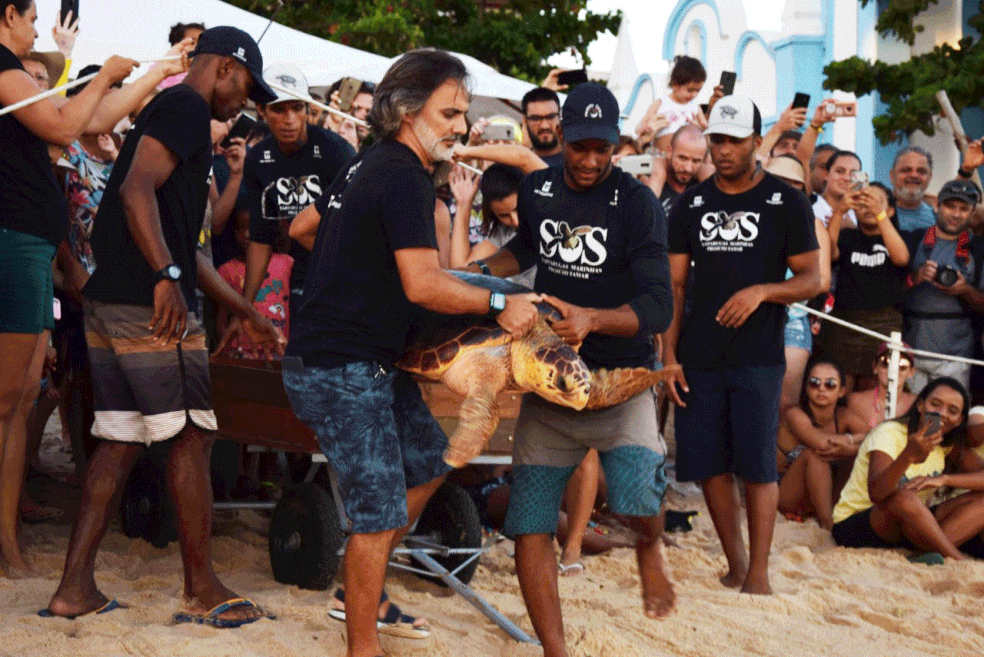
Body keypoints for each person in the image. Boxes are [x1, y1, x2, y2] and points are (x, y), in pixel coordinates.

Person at [284, 49, 540, 657]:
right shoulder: (399, 174)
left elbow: (301, 229)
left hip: (355, 360)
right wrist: (502, 307)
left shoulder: (369, 164)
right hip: (341, 369)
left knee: (428, 461)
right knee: (374, 517)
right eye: (450, 112)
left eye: (463, 113)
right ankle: (362, 645)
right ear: (405, 110)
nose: (461, 125)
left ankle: (358, 594)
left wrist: (356, 263)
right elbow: (425, 285)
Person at [44, 27, 284, 624]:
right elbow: (134, 190)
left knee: (121, 439)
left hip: (116, 298)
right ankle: (202, 588)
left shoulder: (173, 113)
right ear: (225, 68)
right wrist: (164, 274)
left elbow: (186, 245)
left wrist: (247, 308)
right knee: (191, 435)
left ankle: (74, 588)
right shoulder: (183, 106)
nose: (246, 104)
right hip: (147, 303)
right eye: (247, 88)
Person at [461, 82, 675, 654]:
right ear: (559, 136)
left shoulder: (638, 205)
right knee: (530, 522)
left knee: (637, 502)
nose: (588, 160)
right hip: (551, 380)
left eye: (601, 149)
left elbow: (659, 307)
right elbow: (529, 250)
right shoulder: (537, 189)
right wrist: (478, 270)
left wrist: (594, 320)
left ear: (616, 144)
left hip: (619, 381)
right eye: (580, 147)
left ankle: (650, 549)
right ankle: (556, 650)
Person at [0, 0, 139, 576]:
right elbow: (64, 123)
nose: (38, 33)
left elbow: (93, 121)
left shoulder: (22, 77)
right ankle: (5, 544)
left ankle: (7, 539)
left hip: (29, 249)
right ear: (10, 14)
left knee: (22, 401)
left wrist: (156, 72)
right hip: (14, 246)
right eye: (32, 20)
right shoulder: (3, 69)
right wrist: (100, 72)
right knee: (7, 404)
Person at [663, 94, 822, 594]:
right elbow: (676, 286)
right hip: (699, 354)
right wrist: (668, 356)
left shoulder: (786, 201)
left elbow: (812, 279)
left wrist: (763, 291)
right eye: (717, 140)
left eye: (734, 140)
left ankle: (759, 573)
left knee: (755, 464)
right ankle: (735, 561)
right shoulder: (690, 203)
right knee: (708, 463)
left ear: (758, 141)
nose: (724, 149)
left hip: (757, 355)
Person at [235, 62, 355, 352]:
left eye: (296, 108)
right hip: (300, 268)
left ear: (307, 110)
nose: (289, 119)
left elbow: (361, 225)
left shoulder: (335, 151)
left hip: (348, 263)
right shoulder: (257, 159)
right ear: (261, 111)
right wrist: (245, 307)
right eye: (278, 109)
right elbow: (260, 239)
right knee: (303, 350)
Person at [832, 377, 984, 561]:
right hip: (860, 523)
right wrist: (907, 456)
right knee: (905, 497)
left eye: (952, 411)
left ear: (959, 420)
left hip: (911, 523)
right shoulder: (890, 432)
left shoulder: (946, 444)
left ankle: (926, 554)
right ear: (920, 405)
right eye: (935, 404)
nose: (942, 414)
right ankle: (956, 559)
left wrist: (944, 479)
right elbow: (877, 494)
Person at [821, 182, 910, 390]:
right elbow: (828, 253)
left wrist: (880, 216)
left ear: (890, 210)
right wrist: (840, 211)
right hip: (844, 322)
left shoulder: (898, 237)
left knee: (875, 391)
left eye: (876, 203)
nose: (868, 208)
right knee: (841, 390)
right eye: (862, 203)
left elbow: (901, 258)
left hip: (884, 323)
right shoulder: (847, 236)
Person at [901, 179, 984, 393]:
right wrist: (915, 277)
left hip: (956, 353)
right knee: (910, 415)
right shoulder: (913, 239)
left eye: (964, 209)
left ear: (972, 212)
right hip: (911, 348)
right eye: (950, 206)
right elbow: (886, 291)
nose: (956, 214)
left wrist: (964, 289)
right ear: (937, 205)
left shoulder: (978, 249)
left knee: (950, 417)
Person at [777, 358, 854, 530]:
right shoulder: (794, 413)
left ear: (842, 391)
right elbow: (820, 443)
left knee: (858, 456)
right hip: (788, 495)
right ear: (806, 387)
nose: (821, 388)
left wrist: (850, 449)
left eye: (830, 384)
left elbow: (874, 436)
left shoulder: (843, 416)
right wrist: (851, 441)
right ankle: (828, 526)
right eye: (814, 382)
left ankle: (845, 517)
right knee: (814, 455)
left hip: (824, 496)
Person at [638, 55, 705, 152]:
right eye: (690, 90)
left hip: (687, 157)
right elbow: (642, 123)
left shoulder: (695, 108)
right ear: (675, 85)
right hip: (662, 155)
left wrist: (701, 129)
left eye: (698, 90)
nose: (694, 95)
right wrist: (642, 128)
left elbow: (705, 128)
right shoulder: (661, 103)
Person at [844, 342, 917, 431]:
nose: (893, 370)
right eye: (886, 363)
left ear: (911, 372)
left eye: (902, 365)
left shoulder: (916, 403)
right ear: (875, 367)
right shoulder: (856, 400)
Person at [648, 124, 707, 214]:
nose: (688, 168)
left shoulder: (704, 182)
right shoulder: (653, 178)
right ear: (669, 152)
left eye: (696, 161)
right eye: (682, 158)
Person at [890, 146, 935, 232]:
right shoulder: (877, 215)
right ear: (892, 176)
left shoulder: (939, 218)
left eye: (921, 171)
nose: (914, 175)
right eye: (906, 170)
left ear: (930, 177)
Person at [813, 149, 861, 227]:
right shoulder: (810, 206)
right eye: (840, 171)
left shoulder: (860, 214)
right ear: (826, 174)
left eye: (853, 174)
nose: (847, 178)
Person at [520, 86, 563, 167]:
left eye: (551, 117)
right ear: (525, 121)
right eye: (536, 118)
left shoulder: (576, 161)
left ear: (560, 116)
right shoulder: (515, 166)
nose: (544, 126)